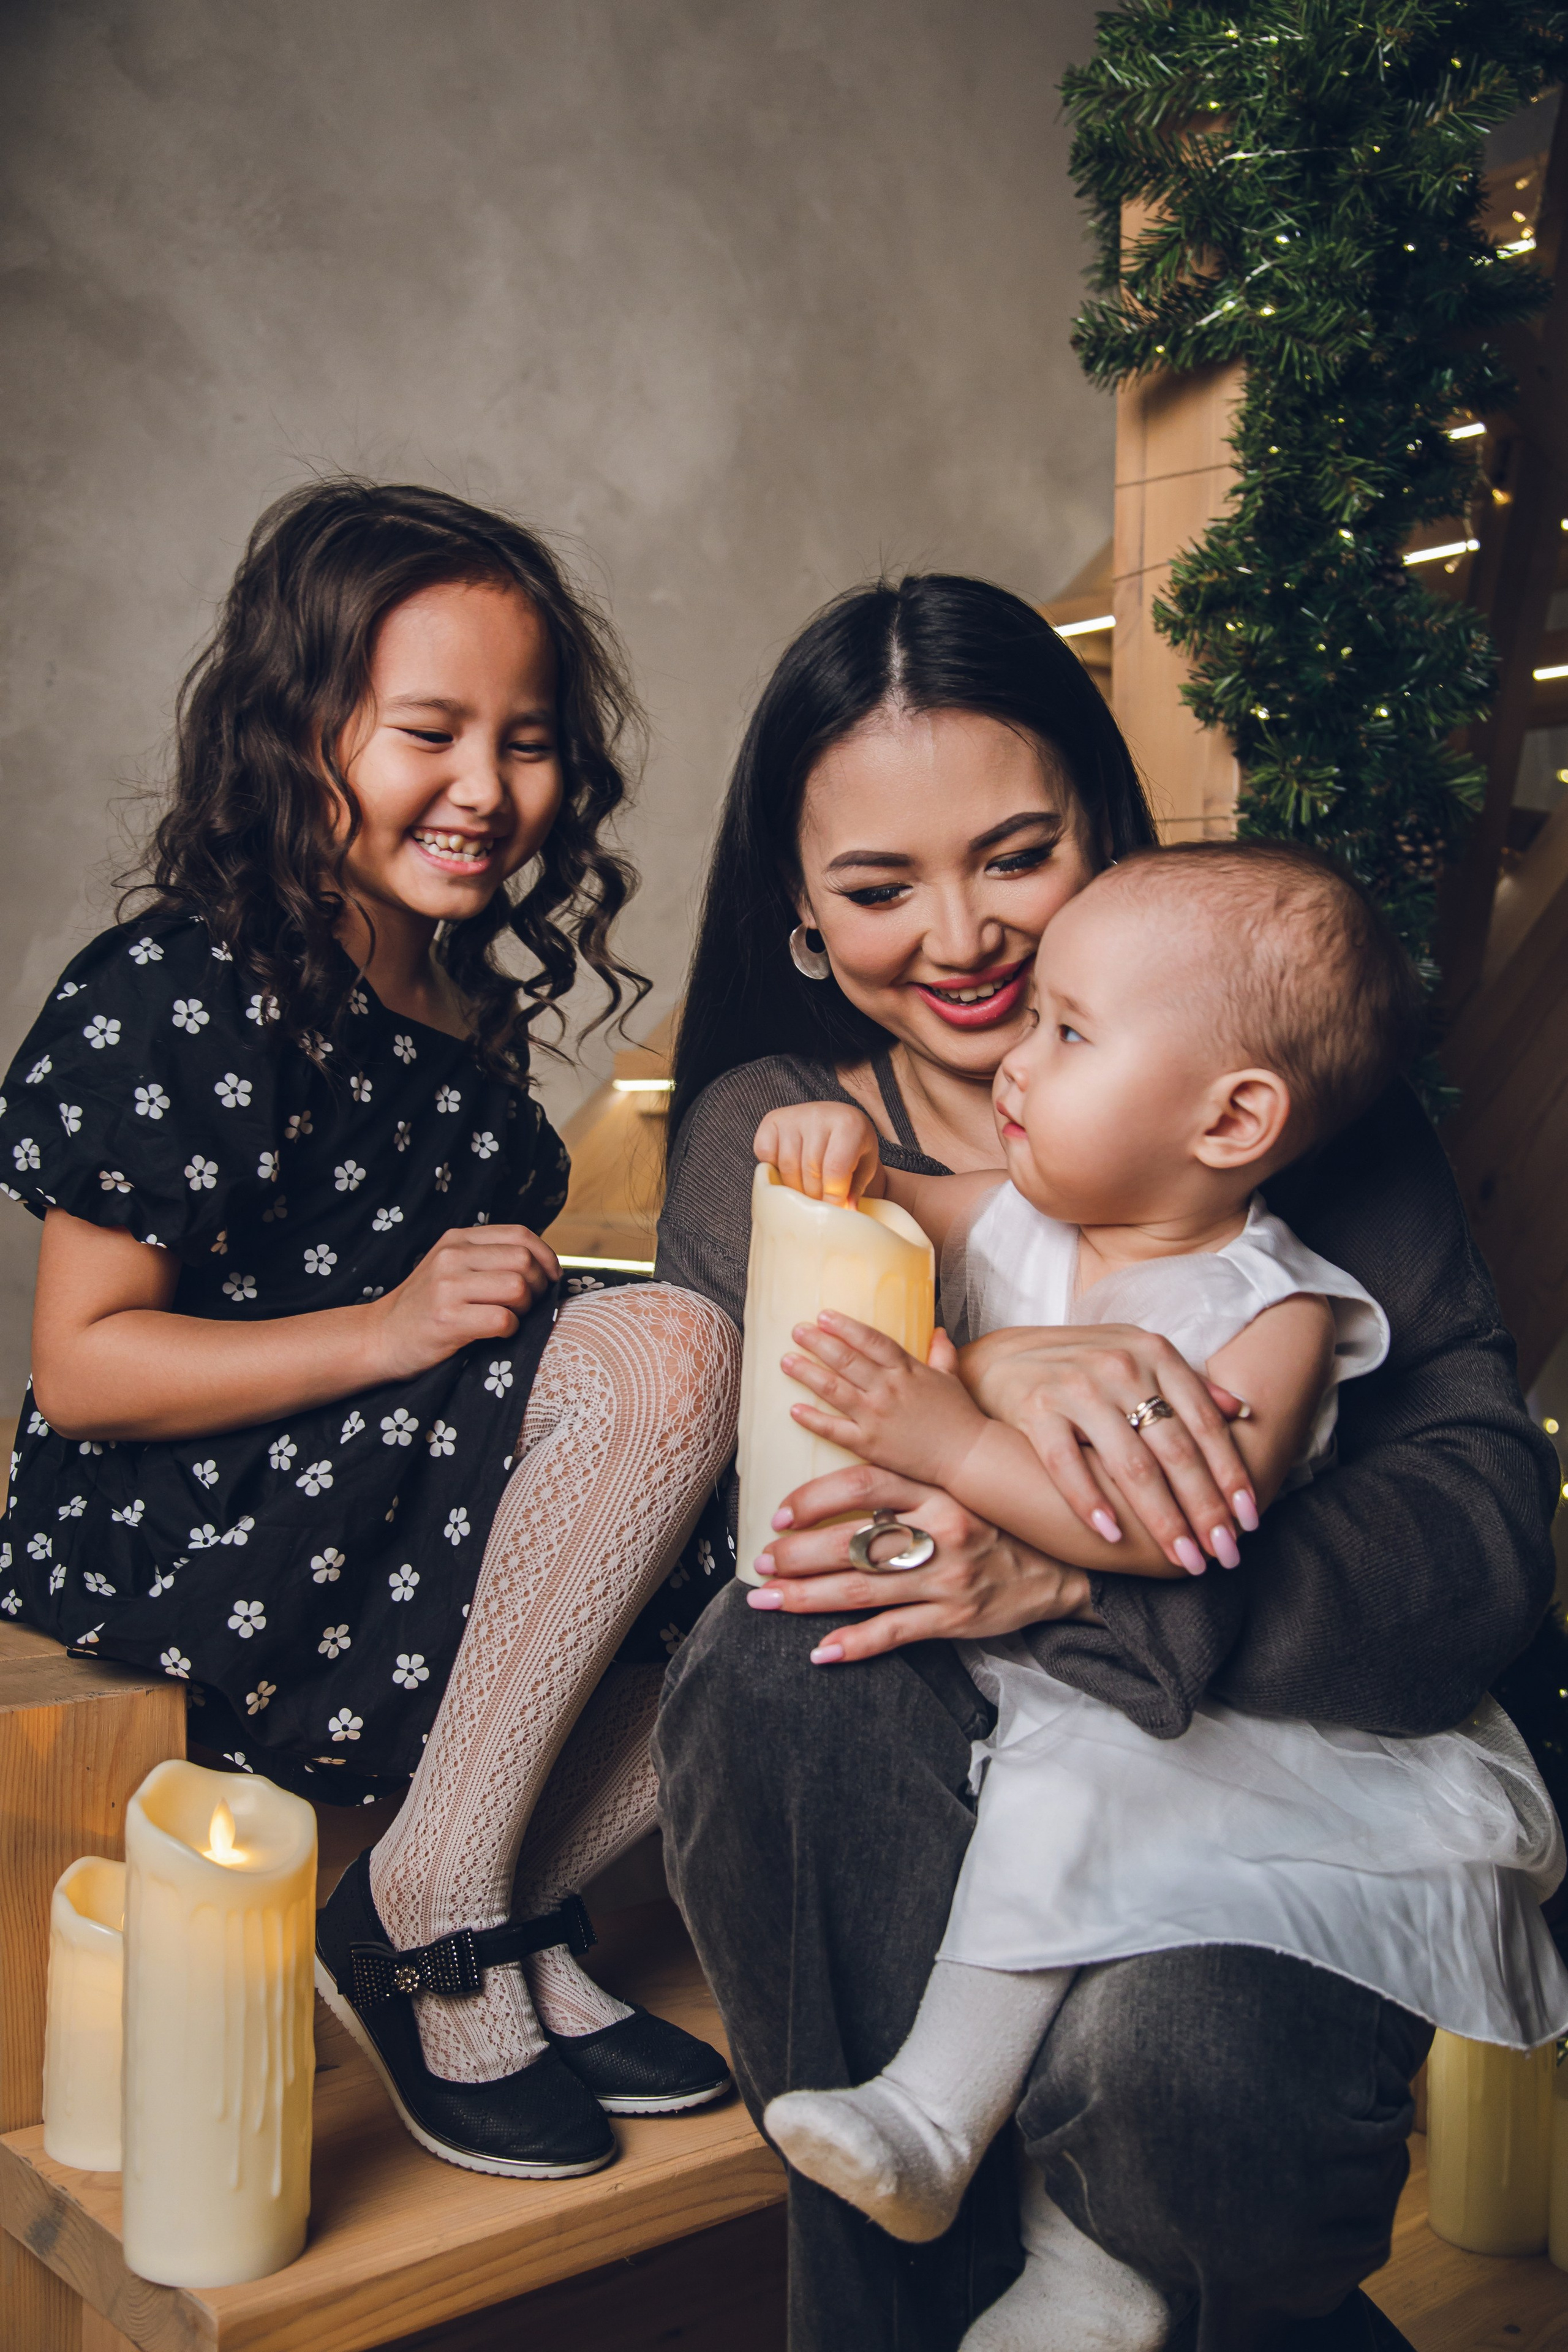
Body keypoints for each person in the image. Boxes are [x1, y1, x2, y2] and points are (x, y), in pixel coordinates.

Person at [649, 575, 1559, 2351]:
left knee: (1183, 2063)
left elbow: (1478, 1543)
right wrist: (986, 1372)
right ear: (800, 913)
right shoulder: (787, 1132)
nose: (966, 937)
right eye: (877, 887)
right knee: (783, 1670)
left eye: (1017, 854)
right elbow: (794, 1479)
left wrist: (1086, 1575)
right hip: (901, 1764)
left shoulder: (1277, 1100)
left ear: (1105, 825)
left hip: (1249, 1758)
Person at [0, 480, 735, 2184]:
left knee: (800, 1465)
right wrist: (399, 1328)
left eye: (528, 739)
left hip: (384, 1458)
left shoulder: (456, 987)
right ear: (297, 732)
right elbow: (86, 1372)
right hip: (196, 1508)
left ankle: (497, 1895)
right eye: (428, 731)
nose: (487, 789)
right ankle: (438, 1914)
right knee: (677, 1360)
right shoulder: (183, 989)